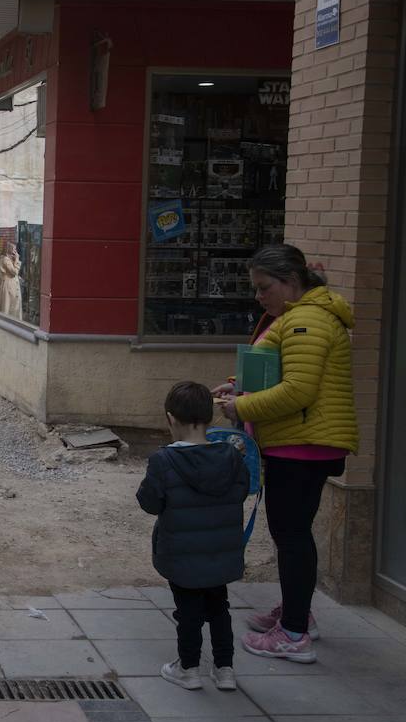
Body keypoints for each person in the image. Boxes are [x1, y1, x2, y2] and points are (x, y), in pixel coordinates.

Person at [215, 243, 358, 664]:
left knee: (292, 536)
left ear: (291, 282)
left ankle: (294, 632)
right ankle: (297, 613)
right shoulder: (300, 318)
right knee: (291, 534)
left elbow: (297, 390)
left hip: (301, 445)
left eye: (264, 288)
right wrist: (239, 387)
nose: (259, 297)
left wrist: (241, 407)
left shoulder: (305, 322)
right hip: (301, 442)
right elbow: (278, 372)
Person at [137, 382, 249, 692]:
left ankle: (188, 669)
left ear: (171, 419)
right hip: (222, 551)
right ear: (210, 418)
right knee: (219, 608)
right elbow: (242, 491)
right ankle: (225, 669)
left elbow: (149, 503)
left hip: (182, 552)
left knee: (188, 612)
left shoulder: (164, 460)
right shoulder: (231, 455)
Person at [0, 241, 22, 318]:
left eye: (15, 249)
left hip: (12, 286)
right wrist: (17, 260)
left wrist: (14, 259)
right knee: (8, 306)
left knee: (14, 306)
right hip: (9, 286)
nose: (15, 251)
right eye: (14, 249)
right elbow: (14, 272)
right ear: (9, 249)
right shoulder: (5, 259)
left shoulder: (9, 259)